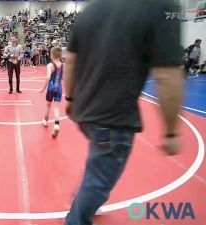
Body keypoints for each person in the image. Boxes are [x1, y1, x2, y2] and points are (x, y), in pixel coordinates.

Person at [63, 1, 184, 225]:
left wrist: (70, 98)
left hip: (85, 111)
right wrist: (171, 133)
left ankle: (85, 199)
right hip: (113, 117)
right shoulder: (161, 6)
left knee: (99, 161)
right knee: (100, 175)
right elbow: (167, 76)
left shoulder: (90, 10)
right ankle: (77, 217)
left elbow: (71, 60)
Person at [39, 47, 63, 138]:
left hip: (51, 87)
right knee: (56, 108)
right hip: (59, 88)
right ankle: (56, 125)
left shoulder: (50, 65)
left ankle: (45, 121)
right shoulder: (62, 64)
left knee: (48, 105)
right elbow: (63, 77)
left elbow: (48, 77)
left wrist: (43, 88)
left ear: (51, 55)